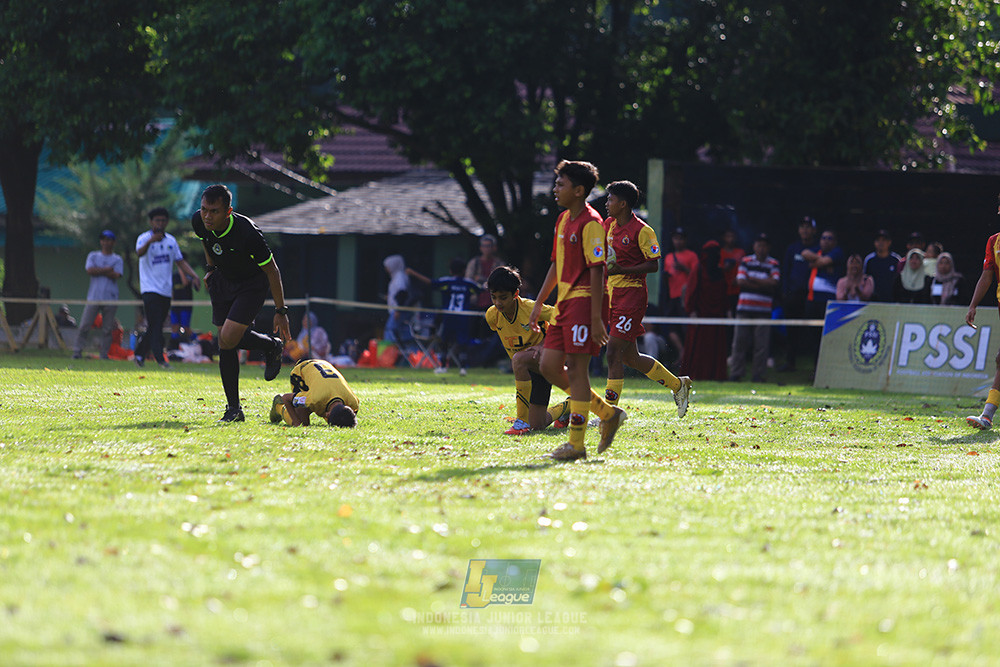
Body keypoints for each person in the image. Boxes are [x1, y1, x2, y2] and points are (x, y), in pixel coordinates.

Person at [528, 160, 626, 461]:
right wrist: (537, 306)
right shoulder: (562, 221)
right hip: (564, 304)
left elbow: (598, 272)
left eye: (561, 184)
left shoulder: (592, 223)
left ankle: (576, 444)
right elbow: (556, 266)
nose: (555, 189)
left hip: (585, 305)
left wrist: (597, 319)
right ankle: (607, 413)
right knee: (547, 366)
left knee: (577, 371)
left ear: (579, 190)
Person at [192, 184, 290, 423]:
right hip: (223, 281)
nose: (207, 216)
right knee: (225, 342)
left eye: (214, 211)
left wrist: (280, 311)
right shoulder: (199, 221)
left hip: (251, 285)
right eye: (204, 209)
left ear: (228, 211)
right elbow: (206, 241)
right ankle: (234, 409)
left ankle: (271, 345)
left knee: (227, 337)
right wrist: (211, 269)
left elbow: (273, 271)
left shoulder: (247, 233)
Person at [601, 180, 692, 417]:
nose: (606, 203)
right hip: (612, 295)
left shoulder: (643, 230)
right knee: (630, 357)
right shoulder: (608, 225)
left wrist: (621, 269)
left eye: (610, 199)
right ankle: (678, 385)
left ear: (622, 204)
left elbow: (653, 265)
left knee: (612, 352)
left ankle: (610, 414)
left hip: (631, 296)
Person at [485, 266, 571, 435]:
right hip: (529, 369)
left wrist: (543, 345)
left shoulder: (531, 308)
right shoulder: (492, 316)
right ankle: (568, 406)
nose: (498, 303)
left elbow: (563, 319)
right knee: (537, 425)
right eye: (493, 297)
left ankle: (520, 423)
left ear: (516, 294)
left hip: (546, 360)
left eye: (503, 298)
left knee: (518, 359)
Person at [135, 207, 201, 369]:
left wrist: (194, 276)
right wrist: (151, 241)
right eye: (157, 220)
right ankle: (161, 359)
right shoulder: (143, 238)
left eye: (163, 220)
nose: (160, 223)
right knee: (156, 324)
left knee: (155, 324)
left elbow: (180, 262)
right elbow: (139, 253)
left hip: (165, 290)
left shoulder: (171, 241)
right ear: (151, 222)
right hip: (149, 289)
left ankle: (139, 354)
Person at [409, 258, 481, 374]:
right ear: (464, 270)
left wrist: (413, 273)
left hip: (449, 317)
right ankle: (462, 368)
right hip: (463, 317)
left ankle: (443, 366)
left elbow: (430, 282)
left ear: (451, 271)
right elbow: (480, 289)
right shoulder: (468, 283)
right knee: (462, 342)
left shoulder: (447, 282)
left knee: (445, 341)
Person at [729, 234, 780, 383]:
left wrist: (751, 279)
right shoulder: (745, 261)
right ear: (754, 246)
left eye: (764, 245)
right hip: (744, 308)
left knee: (761, 345)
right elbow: (740, 281)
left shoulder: (774, 263)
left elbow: (774, 282)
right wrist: (764, 282)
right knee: (739, 342)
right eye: (759, 244)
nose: (761, 248)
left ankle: (758, 374)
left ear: (768, 247)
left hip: (763, 311)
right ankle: (736, 373)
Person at [966, 209, 1000, 429]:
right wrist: (973, 305)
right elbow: (987, 276)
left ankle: (987, 415)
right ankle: (987, 415)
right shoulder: (994, 241)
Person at [680, 240, 729, 381]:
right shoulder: (698, 270)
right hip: (700, 317)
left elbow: (723, 294)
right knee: (699, 349)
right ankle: (695, 375)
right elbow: (691, 291)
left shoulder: (720, 272)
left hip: (717, 318)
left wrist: (726, 311)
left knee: (715, 348)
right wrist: (692, 311)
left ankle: (715, 376)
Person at [73, 229, 124, 360]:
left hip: (110, 298)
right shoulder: (93, 256)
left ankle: (104, 354)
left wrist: (99, 270)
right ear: (101, 241)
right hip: (93, 297)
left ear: (113, 242)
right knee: (85, 325)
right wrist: (107, 269)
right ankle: (77, 351)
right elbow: (90, 270)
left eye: (109, 240)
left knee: (107, 329)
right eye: (104, 239)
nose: (106, 242)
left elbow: (116, 275)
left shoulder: (117, 259)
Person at [269, 358, 359, 427]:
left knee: (339, 418)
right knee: (302, 422)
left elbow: (347, 418)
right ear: (327, 414)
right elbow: (286, 398)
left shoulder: (353, 402)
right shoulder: (314, 399)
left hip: (324, 364)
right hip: (301, 371)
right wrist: (297, 423)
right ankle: (278, 407)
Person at [780, 216, 819, 371]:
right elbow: (785, 272)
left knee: (814, 332)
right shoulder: (792, 248)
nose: (805, 230)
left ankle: (816, 367)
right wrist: (785, 292)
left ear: (814, 230)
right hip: (794, 295)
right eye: (802, 226)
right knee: (791, 331)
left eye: (808, 227)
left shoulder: (818, 249)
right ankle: (790, 362)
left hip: (811, 296)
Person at [661, 227, 699, 364]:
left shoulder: (692, 256)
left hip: (685, 299)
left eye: (680, 238)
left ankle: (689, 356)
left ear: (685, 240)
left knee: (686, 328)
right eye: (676, 238)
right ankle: (682, 351)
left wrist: (684, 268)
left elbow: (697, 277)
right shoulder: (669, 257)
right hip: (672, 297)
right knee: (670, 327)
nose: (678, 241)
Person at [382, 255, 419, 355]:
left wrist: (398, 309)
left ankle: (387, 356)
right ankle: (414, 355)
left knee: (390, 330)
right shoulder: (397, 276)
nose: (386, 269)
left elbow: (402, 293)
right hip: (398, 310)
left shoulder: (399, 277)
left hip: (398, 311)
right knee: (405, 333)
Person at [465, 234, 506, 309]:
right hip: (475, 302)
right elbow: (468, 279)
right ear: (480, 248)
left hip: (494, 302)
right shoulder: (474, 263)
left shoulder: (499, 264)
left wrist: (480, 278)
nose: (486, 249)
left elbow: (502, 281)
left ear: (494, 248)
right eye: (484, 246)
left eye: (488, 246)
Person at [863, 229, 902, 303]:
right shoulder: (869, 260)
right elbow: (865, 281)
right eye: (878, 240)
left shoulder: (896, 259)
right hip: (873, 302)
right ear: (875, 243)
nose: (881, 243)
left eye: (884, 240)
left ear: (889, 242)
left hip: (892, 302)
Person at [170, 252, 196, 345]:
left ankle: (197, 341)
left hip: (186, 304)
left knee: (186, 328)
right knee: (174, 327)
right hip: (176, 304)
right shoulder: (174, 275)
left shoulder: (189, 274)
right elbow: (172, 290)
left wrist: (182, 268)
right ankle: (175, 347)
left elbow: (185, 283)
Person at [719, 229, 745, 313]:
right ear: (723, 238)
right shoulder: (719, 253)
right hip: (723, 289)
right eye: (728, 236)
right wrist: (724, 268)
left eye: (732, 236)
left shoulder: (741, 253)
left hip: (737, 290)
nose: (730, 239)